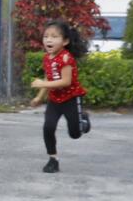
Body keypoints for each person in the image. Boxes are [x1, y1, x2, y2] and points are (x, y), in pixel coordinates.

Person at [28, 21, 90, 173]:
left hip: (71, 99)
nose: (48, 40)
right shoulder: (47, 58)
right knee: (48, 127)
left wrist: (42, 83)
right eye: (46, 36)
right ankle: (53, 160)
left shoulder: (66, 58)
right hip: (55, 100)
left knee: (75, 134)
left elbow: (65, 82)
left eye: (54, 37)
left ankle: (83, 119)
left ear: (65, 41)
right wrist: (39, 97)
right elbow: (49, 78)